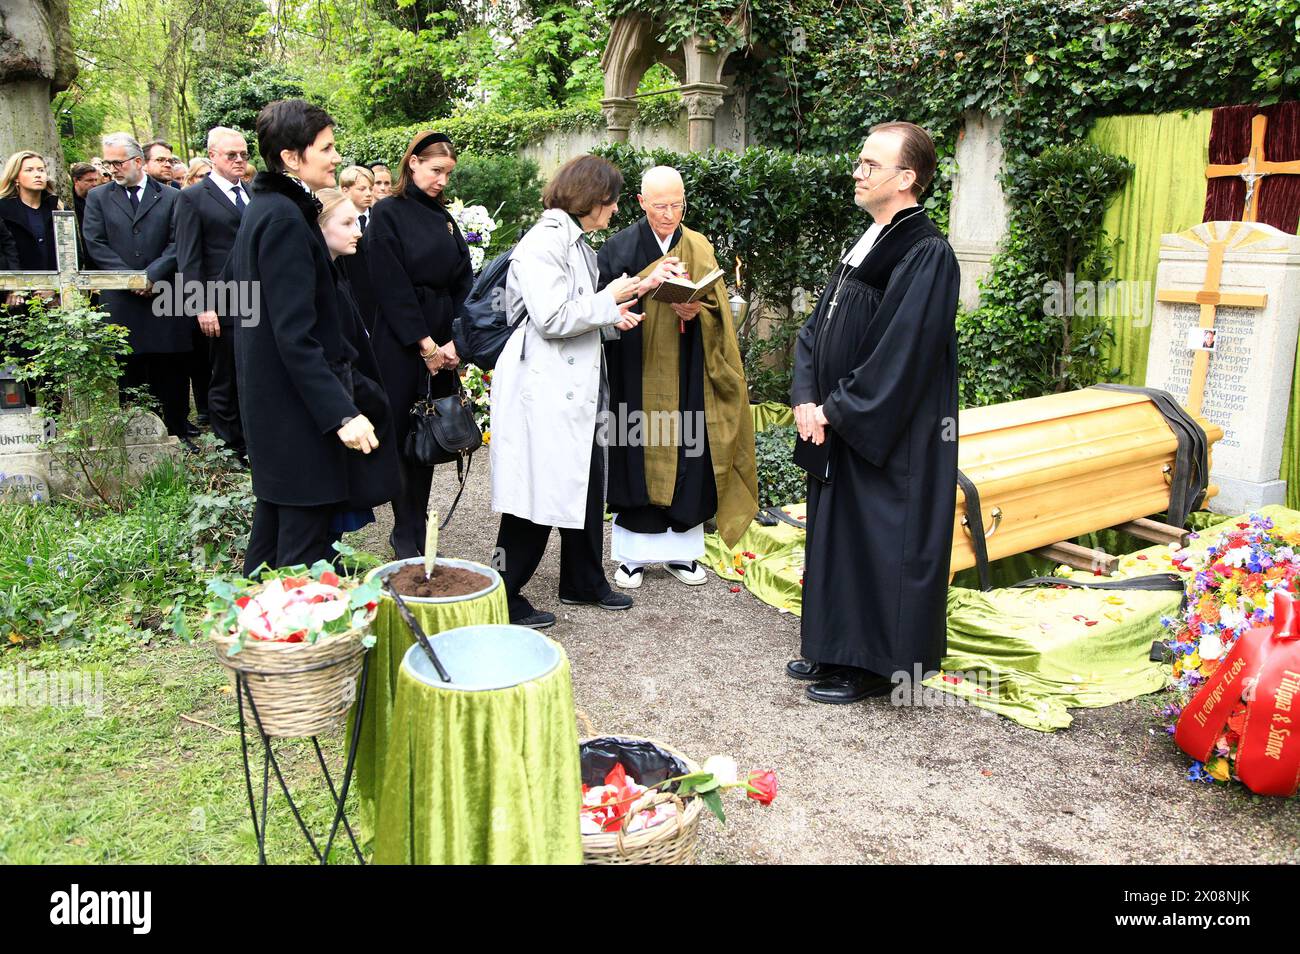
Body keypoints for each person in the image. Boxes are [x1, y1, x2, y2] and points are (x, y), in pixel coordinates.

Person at [787, 121, 960, 704]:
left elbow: (901, 351)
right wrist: (806, 397)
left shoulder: (926, 252)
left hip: (891, 432)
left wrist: (838, 408)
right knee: (839, 534)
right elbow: (818, 326)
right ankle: (835, 647)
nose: (857, 172)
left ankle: (876, 666)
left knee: (883, 539)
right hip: (834, 419)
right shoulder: (868, 238)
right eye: (859, 162)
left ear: (907, 178)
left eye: (870, 165)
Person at [490, 154, 673, 628]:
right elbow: (551, 318)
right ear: (591, 200)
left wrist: (629, 298)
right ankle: (501, 593)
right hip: (545, 384)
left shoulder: (576, 243)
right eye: (611, 202)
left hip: (575, 383)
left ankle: (582, 579)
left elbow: (582, 310)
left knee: (587, 482)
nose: (614, 212)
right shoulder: (544, 243)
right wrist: (609, 303)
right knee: (535, 492)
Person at [226, 98, 379, 574]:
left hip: (278, 407)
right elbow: (295, 334)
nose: (336, 158)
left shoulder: (270, 209)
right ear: (292, 157)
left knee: (269, 551)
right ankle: (292, 647)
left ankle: (254, 642)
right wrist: (341, 413)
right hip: (296, 416)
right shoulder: (284, 219)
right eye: (326, 148)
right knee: (299, 564)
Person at [597, 166, 758, 589]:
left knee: (690, 451)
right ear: (641, 202)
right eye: (660, 205)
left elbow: (717, 307)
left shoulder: (699, 246)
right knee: (636, 451)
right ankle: (632, 556)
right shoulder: (619, 246)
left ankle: (682, 554)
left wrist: (696, 311)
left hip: (688, 367)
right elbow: (601, 305)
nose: (669, 214)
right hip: (635, 365)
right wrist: (640, 292)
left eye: (676, 204)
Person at [365, 130, 471, 558]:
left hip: (443, 335)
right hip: (402, 338)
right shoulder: (388, 212)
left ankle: (419, 522)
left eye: (448, 173)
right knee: (404, 431)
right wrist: (425, 345)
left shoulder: (445, 219)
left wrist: (456, 340)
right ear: (413, 164)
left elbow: (465, 279)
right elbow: (390, 285)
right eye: (435, 170)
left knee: (430, 434)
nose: (442, 180)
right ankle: (403, 529)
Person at [81, 133, 190, 440]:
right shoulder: (98, 198)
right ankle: (135, 438)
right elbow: (95, 243)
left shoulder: (172, 197)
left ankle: (178, 435)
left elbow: (178, 242)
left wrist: (152, 274)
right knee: (129, 370)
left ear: (138, 161)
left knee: (171, 371)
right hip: (122, 299)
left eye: (117, 162)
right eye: (107, 163)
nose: (111, 168)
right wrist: (131, 278)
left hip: (165, 295)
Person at [315, 187, 401, 539]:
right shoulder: (321, 282)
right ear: (320, 228)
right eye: (347, 222)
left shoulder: (337, 273)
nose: (358, 231)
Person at [173, 127, 251, 457]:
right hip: (221, 301)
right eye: (231, 154)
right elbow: (188, 259)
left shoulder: (251, 193)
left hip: (256, 297)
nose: (238, 160)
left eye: (244, 154)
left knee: (250, 373)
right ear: (212, 156)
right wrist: (202, 306)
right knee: (226, 376)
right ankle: (228, 445)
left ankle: (250, 441)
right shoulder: (192, 197)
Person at [0, 151, 60, 274]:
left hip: (55, 287)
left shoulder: (58, 208)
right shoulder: (3, 209)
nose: (37, 175)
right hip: (16, 287)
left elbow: (72, 251)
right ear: (16, 177)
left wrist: (54, 288)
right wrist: (14, 289)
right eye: (29, 170)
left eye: (41, 170)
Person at [338, 165, 378, 331]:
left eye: (370, 188)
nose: (368, 193)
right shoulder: (337, 222)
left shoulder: (380, 218)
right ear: (345, 190)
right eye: (362, 189)